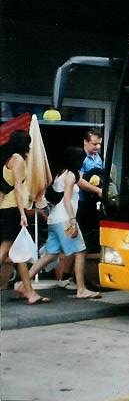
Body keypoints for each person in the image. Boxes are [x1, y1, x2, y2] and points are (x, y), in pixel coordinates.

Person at [17, 147, 101, 300]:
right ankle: (81, 290)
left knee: (50, 255)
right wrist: (73, 221)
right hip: (65, 220)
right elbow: (68, 200)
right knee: (81, 251)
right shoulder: (70, 176)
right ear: (77, 161)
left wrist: (97, 190)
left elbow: (80, 182)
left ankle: (24, 283)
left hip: (54, 220)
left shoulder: (61, 174)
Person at [0, 130, 48, 304]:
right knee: (5, 249)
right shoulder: (18, 160)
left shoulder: (8, 159)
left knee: (18, 253)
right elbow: (18, 190)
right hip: (13, 209)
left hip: (6, 208)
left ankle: (30, 292)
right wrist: (22, 213)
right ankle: (30, 292)